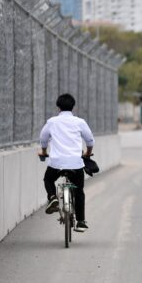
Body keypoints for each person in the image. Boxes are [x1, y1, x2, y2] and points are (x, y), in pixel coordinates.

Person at [39, 93, 95, 232]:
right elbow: (90, 141)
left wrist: (44, 151)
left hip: (56, 163)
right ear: (73, 107)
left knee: (48, 179)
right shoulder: (79, 122)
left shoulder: (52, 122)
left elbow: (43, 139)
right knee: (79, 191)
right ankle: (81, 221)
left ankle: (52, 197)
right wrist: (87, 153)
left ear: (58, 107)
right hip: (76, 163)